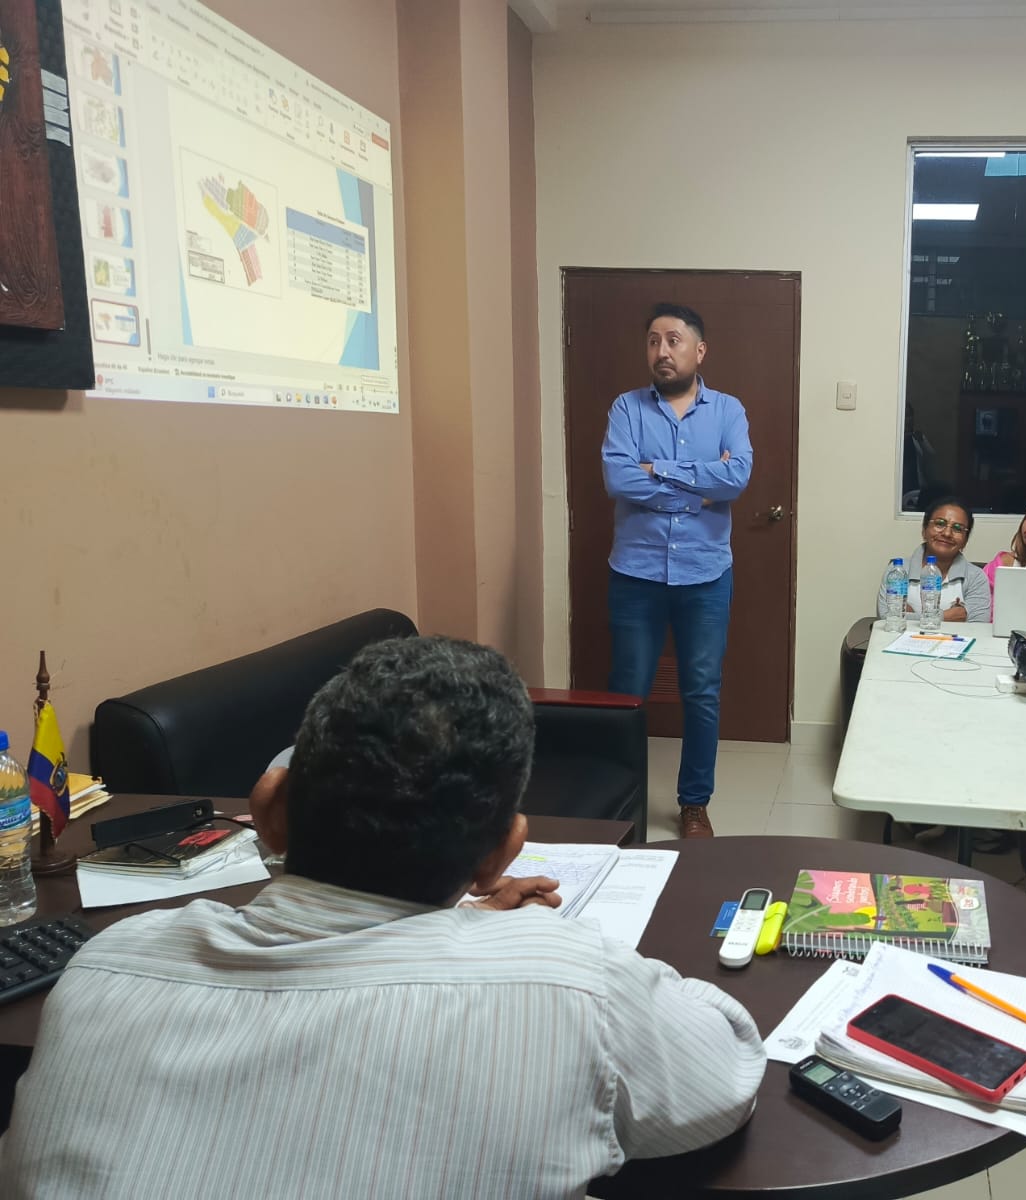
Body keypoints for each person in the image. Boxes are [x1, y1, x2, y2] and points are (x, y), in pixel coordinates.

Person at [0, 636, 766, 1197]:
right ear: (502, 854)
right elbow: (726, 1073)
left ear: (270, 813)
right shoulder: (571, 988)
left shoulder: (102, 972)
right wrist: (521, 941)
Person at [602, 302, 752, 839]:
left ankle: (694, 804)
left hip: (706, 575)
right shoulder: (627, 408)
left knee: (702, 692)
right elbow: (619, 480)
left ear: (699, 350)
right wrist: (697, 491)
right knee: (627, 694)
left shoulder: (728, 410)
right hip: (636, 575)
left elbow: (736, 478)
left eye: (673, 340)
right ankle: (621, 802)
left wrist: (659, 471)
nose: (661, 351)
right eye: (652, 341)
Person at [878, 494, 991, 625]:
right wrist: (945, 617)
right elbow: (886, 618)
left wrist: (910, 616)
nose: (947, 533)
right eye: (940, 524)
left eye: (957, 528)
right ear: (924, 530)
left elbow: (979, 626)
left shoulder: (976, 577)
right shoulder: (898, 570)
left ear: (965, 541)